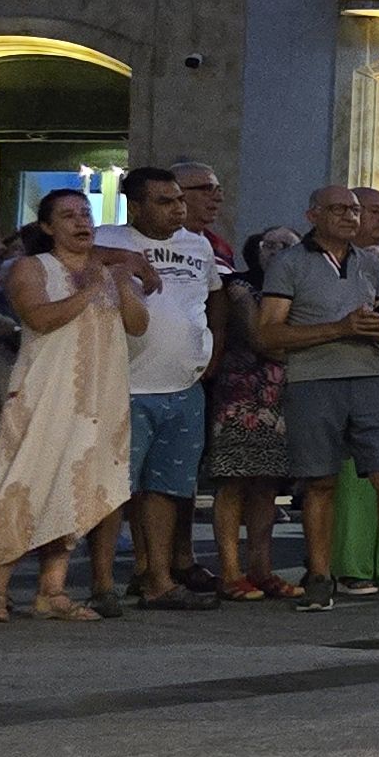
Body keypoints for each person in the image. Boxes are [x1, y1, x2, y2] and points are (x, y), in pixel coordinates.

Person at [259, 183, 379, 609]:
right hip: (313, 381)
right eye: (339, 208)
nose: (350, 217)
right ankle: (321, 576)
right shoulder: (289, 264)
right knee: (321, 481)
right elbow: (267, 332)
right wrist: (337, 329)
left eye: (355, 210)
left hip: (370, 379)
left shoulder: (371, 265)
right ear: (313, 216)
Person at [0, 181, 143, 621]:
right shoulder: (32, 268)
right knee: (21, 482)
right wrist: (90, 287)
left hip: (96, 399)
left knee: (77, 487)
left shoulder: (110, 271)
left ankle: (53, 590)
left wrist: (120, 283)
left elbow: (138, 325)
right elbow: (41, 318)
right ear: (47, 227)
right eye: (68, 216)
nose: (81, 222)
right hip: (44, 394)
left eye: (85, 214)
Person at [97, 165, 221, 610]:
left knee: (168, 487)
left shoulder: (199, 245)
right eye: (165, 201)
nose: (178, 209)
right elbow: (52, 252)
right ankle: (103, 581)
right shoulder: (108, 238)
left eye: (179, 200)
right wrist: (121, 260)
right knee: (115, 488)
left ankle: (158, 578)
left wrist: (212, 354)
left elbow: (210, 298)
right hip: (127, 385)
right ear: (136, 205)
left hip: (183, 386)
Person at [200, 225, 293, 600]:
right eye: (270, 244)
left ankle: (262, 568)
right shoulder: (240, 286)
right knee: (233, 481)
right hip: (240, 394)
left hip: (280, 396)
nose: (278, 251)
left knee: (267, 485)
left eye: (288, 246)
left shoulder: (294, 290)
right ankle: (230, 571)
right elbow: (260, 337)